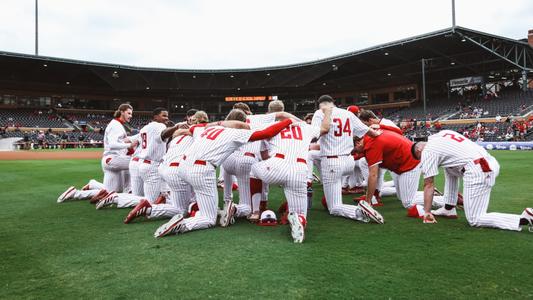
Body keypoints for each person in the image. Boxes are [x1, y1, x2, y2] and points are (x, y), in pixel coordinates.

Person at [154, 109, 295, 238]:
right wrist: (288, 121)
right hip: (202, 170)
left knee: (208, 206)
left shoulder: (204, 128)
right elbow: (267, 133)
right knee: (209, 218)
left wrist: (218, 122)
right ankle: (183, 225)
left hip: (183, 167)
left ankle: (198, 209)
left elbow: (186, 130)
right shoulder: (234, 132)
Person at [413, 130, 533, 232]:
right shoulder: (442, 134)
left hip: (478, 170)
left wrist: (427, 211)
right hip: (488, 161)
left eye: (419, 158)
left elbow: (428, 184)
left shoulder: (427, 152)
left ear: (419, 150)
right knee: (449, 168)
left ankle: (524, 218)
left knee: (475, 219)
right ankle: (448, 209)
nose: (422, 160)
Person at [310, 95, 384, 222]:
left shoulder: (319, 112)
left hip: (332, 160)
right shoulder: (347, 113)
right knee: (328, 173)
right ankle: (337, 190)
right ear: (333, 102)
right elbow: (367, 131)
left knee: (334, 207)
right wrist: (377, 133)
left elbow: (314, 135)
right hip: (348, 161)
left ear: (320, 104)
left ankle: (360, 211)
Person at [100, 104, 137, 193]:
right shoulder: (116, 125)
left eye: (131, 114)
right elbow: (112, 144)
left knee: (110, 192)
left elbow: (120, 141)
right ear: (122, 112)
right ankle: (129, 189)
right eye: (128, 113)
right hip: (113, 158)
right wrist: (129, 145)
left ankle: (87, 188)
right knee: (137, 162)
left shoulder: (116, 124)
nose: (130, 116)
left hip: (111, 159)